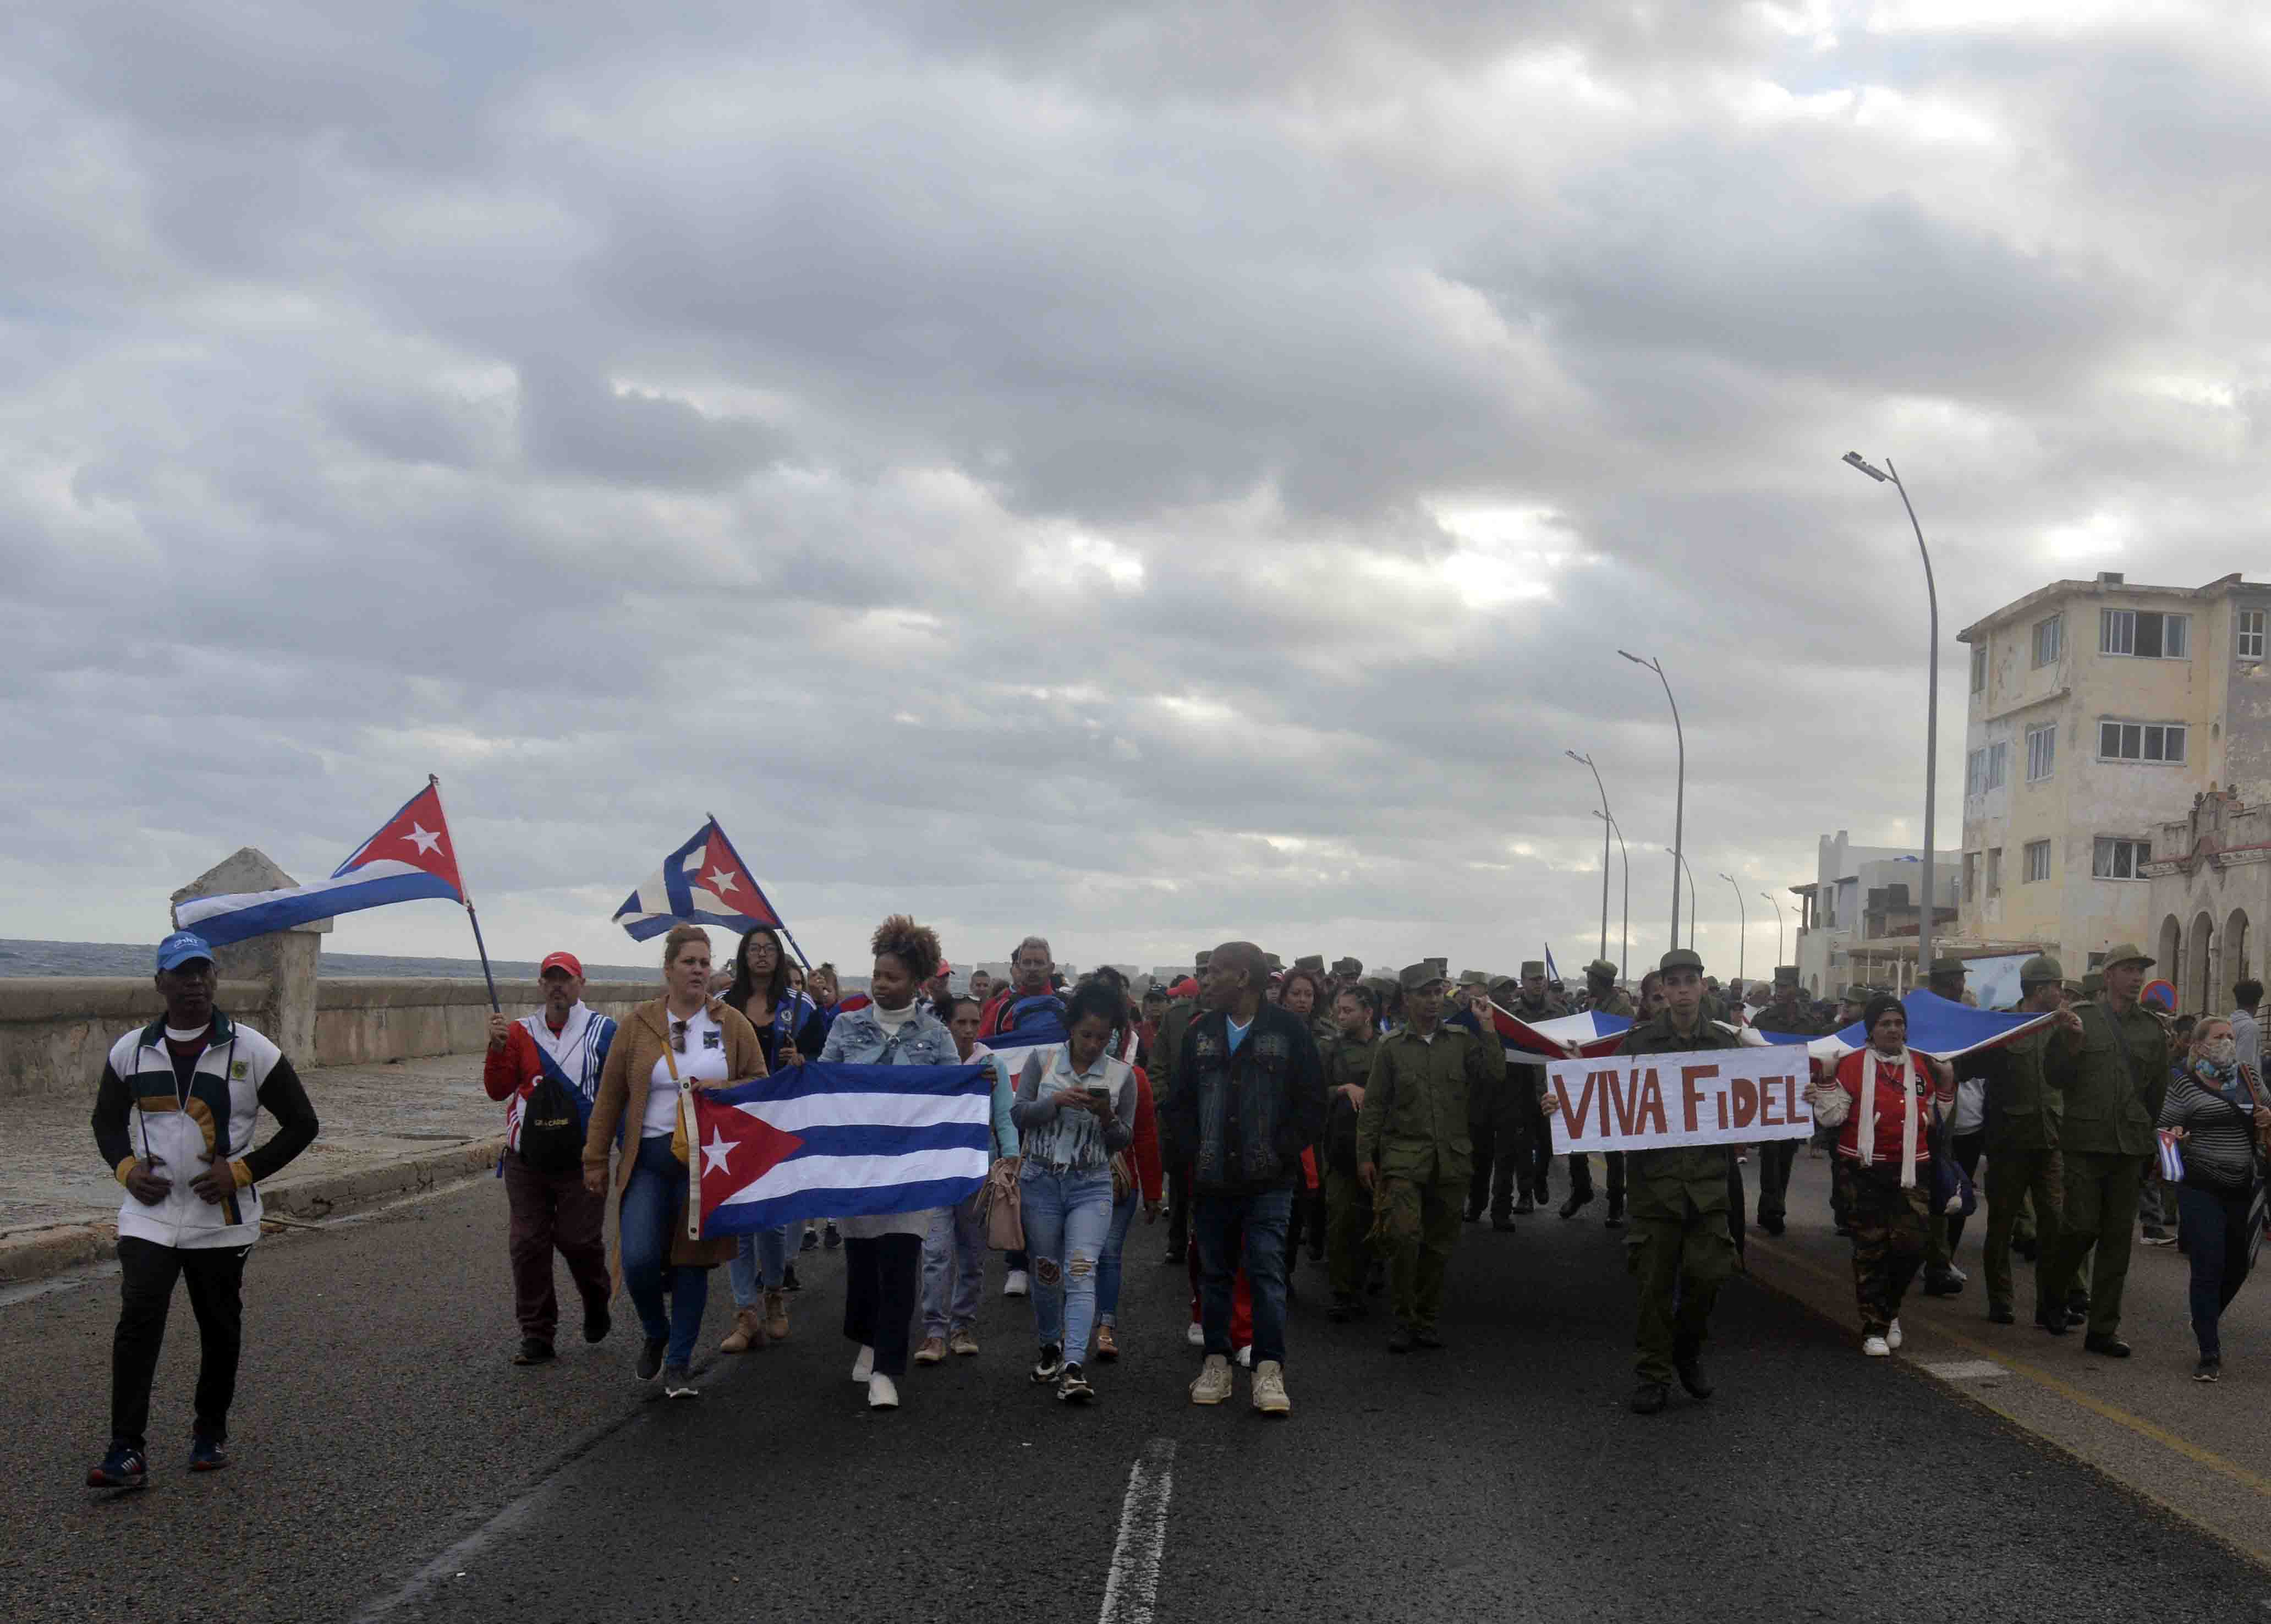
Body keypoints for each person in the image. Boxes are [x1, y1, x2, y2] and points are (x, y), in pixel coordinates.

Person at [85, 931, 320, 1489]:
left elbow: (303, 1125)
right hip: (150, 1218)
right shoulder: (131, 1051)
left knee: (218, 1326)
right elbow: (105, 1122)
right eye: (181, 974)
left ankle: (209, 1431)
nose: (193, 983)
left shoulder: (253, 1050)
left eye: (202, 972)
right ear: (160, 984)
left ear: (215, 980)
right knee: (137, 1322)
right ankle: (126, 1450)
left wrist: (239, 1172)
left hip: (222, 1222)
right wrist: (125, 1171)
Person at [583, 924, 759, 1398]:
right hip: (650, 1161)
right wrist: (595, 1158)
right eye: (690, 962)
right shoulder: (638, 1024)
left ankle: (679, 1362)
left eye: (705, 962)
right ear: (668, 970)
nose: (699, 970)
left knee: (691, 1264)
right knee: (639, 1258)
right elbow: (610, 1096)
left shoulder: (732, 1024)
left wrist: (721, 1090)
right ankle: (655, 1331)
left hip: (707, 1165)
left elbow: (760, 1085)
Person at [1162, 941, 1328, 1417]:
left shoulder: (1290, 1032)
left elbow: (1312, 1103)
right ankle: (1215, 1361)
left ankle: (1269, 1369)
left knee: (1267, 1273)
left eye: (1215, 972)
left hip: (1270, 1182)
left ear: (1243, 978)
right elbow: (1178, 1104)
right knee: (1215, 1276)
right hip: (1214, 1181)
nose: (1206, 980)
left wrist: (1280, 1151)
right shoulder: (1201, 1034)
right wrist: (1196, 1151)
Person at [813, 914, 965, 1409]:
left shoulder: (937, 1036)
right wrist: (803, 1072)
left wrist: (973, 1086)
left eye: (893, 977)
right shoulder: (845, 1026)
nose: (881, 984)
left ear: (916, 983)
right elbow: (824, 1088)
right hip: (857, 1169)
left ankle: (886, 1370)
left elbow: (952, 1094)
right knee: (863, 1268)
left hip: (910, 1171)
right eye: (877, 974)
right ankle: (868, 1336)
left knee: (899, 1265)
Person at [1617, 948, 1743, 1415]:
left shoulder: (1725, 1045)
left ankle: (1687, 1349)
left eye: (1692, 980)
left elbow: (1749, 1100)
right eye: (1675, 982)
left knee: (1708, 1276)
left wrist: (1797, 1094)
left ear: (1704, 986)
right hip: (1656, 1187)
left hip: (1708, 1184)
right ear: (1663, 991)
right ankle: (1653, 1375)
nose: (1684, 989)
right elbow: (1603, 1101)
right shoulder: (1639, 1044)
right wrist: (1564, 1105)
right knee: (1653, 1287)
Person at [1359, 963, 1507, 1351]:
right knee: (1404, 1238)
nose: (1432, 1000)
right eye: (1423, 994)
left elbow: (1494, 1074)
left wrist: (1489, 1028)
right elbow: (1374, 1106)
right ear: (1407, 999)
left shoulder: (1460, 1041)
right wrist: (1365, 1156)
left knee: (1439, 1247)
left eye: (1437, 993)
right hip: (1404, 1159)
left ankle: (1425, 1319)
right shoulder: (1391, 1047)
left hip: (1451, 1160)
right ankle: (1402, 1318)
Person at [483, 951, 616, 1366]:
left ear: (581, 984)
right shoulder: (521, 1031)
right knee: (528, 1244)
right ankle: (537, 1334)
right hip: (527, 1159)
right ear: (541, 985)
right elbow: (498, 1089)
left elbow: (618, 1092)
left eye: (567, 978)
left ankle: (596, 1301)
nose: (558, 985)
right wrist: (497, 1048)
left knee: (579, 1241)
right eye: (551, 978)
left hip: (582, 1160)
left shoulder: (603, 1031)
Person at [1009, 980, 1137, 1403]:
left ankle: (1074, 1367)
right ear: (1071, 1028)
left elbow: (1123, 1140)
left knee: (1082, 1271)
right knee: (1047, 1271)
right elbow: (1019, 1115)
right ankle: (1050, 1346)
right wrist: (1057, 1101)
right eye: (1086, 1035)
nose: (1094, 1045)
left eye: (1103, 1037)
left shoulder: (1123, 1076)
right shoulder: (1041, 1061)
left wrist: (1106, 1115)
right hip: (1041, 1181)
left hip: (1092, 1184)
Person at [2038, 943, 2170, 1357]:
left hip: (2129, 1146)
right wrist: (2072, 1045)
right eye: (2129, 970)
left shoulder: (2152, 1029)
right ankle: (2053, 1295)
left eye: (2140, 971)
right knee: (2081, 1227)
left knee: (2117, 1239)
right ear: (2109, 975)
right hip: (2085, 1142)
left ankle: (2103, 1330)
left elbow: (2157, 1094)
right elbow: (2056, 1076)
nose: (2136, 978)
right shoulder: (2084, 1021)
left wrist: (2148, 1142)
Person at [1808, 995, 1956, 1355]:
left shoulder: (1922, 1065)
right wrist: (1826, 1083)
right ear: (1871, 1030)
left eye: (1899, 1024)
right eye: (1885, 1024)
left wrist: (1948, 1082)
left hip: (1911, 1170)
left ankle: (1888, 1310)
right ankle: (1874, 1328)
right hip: (1862, 1170)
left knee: (1913, 1247)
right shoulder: (1851, 1064)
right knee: (1871, 1249)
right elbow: (1831, 1119)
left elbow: (1938, 1118)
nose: (1893, 1030)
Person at [720, 926, 816, 1354]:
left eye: (769, 949)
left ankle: (775, 1296)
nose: (761, 955)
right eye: (754, 949)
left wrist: (802, 1060)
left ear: (779, 957)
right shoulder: (723, 1006)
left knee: (773, 1221)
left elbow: (827, 1055)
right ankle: (746, 1314)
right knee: (739, 1220)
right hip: (736, 1120)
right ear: (743, 956)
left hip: (782, 1120)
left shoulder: (801, 1004)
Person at [2160, 1016, 2271, 1381]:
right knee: (2209, 1262)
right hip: (2200, 1185)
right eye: (2218, 1037)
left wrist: (2266, 1118)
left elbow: (2267, 1119)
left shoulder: (2250, 1079)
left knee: (2239, 1264)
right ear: (2199, 1045)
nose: (2226, 1042)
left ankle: (2203, 1316)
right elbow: (2165, 1131)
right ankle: (2209, 1350)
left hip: (2242, 1185)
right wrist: (2176, 1137)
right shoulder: (2185, 1082)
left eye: (2230, 1037)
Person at [915, 995, 1014, 1363]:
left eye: (975, 1023)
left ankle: (962, 1325)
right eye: (961, 1023)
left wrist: (1011, 1161)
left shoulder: (992, 1065)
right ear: (947, 1024)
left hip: (977, 1172)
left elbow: (1004, 1116)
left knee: (971, 1255)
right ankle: (934, 1331)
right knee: (936, 1252)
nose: (969, 1030)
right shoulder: (930, 1064)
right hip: (937, 1172)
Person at [1979, 957, 2072, 1327]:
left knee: (2055, 1224)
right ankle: (2001, 1301)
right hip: (2008, 1143)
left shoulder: (2061, 1028)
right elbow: (1971, 1067)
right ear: (2038, 990)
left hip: (2051, 1141)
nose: (2062, 994)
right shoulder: (2003, 1026)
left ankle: (2051, 1307)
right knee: (2001, 1226)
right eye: (2057, 987)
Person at [981, 934, 1070, 1298]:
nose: (1033, 969)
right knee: (1016, 1183)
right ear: (1016, 967)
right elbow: (982, 1052)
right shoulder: (1001, 1008)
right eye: (1027, 963)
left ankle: (1052, 1259)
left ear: (1051, 966)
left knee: (1056, 1182)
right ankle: (1017, 1264)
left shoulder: (1066, 1007)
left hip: (1058, 1109)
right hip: (1015, 1111)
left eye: (1040, 962)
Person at [1094, 1008, 1164, 1363]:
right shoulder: (1055, 1073)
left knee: (1107, 1253)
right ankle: (1067, 1330)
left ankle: (1105, 1326)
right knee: (1073, 1257)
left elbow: (1146, 1137)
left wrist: (1153, 1192)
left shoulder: (1134, 1077)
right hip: (1068, 1179)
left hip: (1119, 1181)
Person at [1321, 983, 1383, 1320]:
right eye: (1338, 1010)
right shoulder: (1330, 1050)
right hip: (1342, 1146)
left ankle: (1376, 1272)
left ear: (1368, 1013)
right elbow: (1315, 1092)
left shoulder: (1388, 1048)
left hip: (1382, 1147)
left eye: (1348, 1010)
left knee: (1380, 1218)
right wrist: (1343, 1088)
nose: (1340, 1016)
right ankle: (1344, 1292)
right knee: (1341, 1222)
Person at [1746, 966, 1818, 1237]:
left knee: (1786, 1155)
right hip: (1769, 1094)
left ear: (1796, 990)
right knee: (1769, 1153)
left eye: (1785, 987)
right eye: (1778, 986)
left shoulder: (1809, 1024)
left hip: (1796, 1097)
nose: (1780, 992)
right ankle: (1771, 1209)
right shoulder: (1764, 1021)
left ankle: (1777, 1204)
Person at [1153, 951, 1209, 1265]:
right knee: (1179, 1180)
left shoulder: (1235, 1015)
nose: (1207, 978)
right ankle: (1177, 1240)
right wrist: (1166, 1102)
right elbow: (1158, 1065)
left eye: (1212, 971)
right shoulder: (1176, 1016)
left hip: (1218, 1117)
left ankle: (1206, 1242)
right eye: (1201, 972)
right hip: (1179, 1116)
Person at [1279, 963, 1331, 1270]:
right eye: (1296, 993)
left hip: (1315, 1132)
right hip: (1280, 1128)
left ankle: (1288, 1271)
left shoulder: (1328, 1035)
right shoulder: (1271, 1030)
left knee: (1304, 1200)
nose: (1302, 1000)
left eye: (1308, 994)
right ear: (1284, 996)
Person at [1504, 962, 1567, 1211]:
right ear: (1523, 982)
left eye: (1541, 978)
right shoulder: (1513, 1014)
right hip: (1521, 1086)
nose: (1538, 983)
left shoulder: (1559, 1013)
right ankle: (1525, 1193)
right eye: (1532, 979)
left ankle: (1540, 1178)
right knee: (1523, 1143)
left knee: (1547, 1142)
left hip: (1549, 1087)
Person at [2232, 979, 2263, 1089]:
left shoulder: (2228, 1022)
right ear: (2257, 1003)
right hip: (2245, 1095)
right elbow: (2246, 1067)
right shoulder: (2250, 1027)